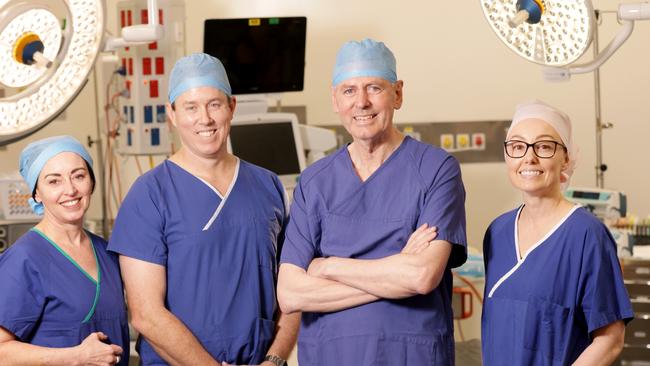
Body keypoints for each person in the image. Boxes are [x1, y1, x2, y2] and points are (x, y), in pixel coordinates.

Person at [277, 38, 467, 365]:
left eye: (374, 88)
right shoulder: (315, 181)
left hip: (413, 356)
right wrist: (394, 271)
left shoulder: (436, 170)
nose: (361, 102)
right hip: (332, 356)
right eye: (349, 90)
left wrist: (328, 266)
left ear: (398, 94)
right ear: (335, 99)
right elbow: (292, 293)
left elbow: (421, 276)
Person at [108, 53, 299, 366]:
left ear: (231, 107)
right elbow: (146, 314)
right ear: (171, 114)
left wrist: (275, 359)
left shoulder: (269, 186)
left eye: (214, 104)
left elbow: (293, 289)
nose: (205, 119)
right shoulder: (150, 195)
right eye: (191, 107)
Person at [481, 100, 634, 365]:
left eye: (543, 146)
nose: (529, 157)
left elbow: (610, 339)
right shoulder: (497, 232)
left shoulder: (587, 234)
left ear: (565, 159)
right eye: (517, 146)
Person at [0, 135, 128, 365]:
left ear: (91, 183)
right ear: (37, 193)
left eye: (78, 176)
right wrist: (76, 357)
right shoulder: (24, 259)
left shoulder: (107, 253)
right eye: (54, 181)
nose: (70, 189)